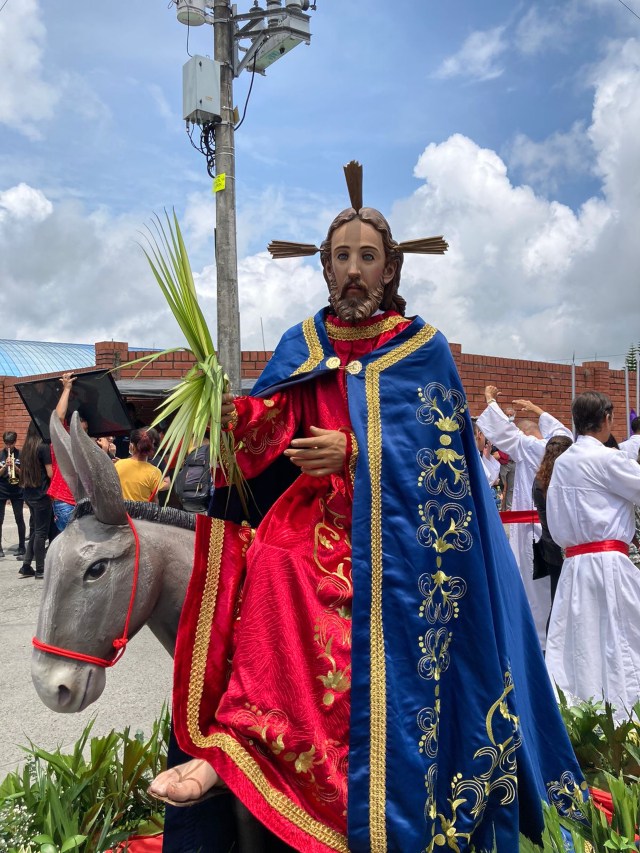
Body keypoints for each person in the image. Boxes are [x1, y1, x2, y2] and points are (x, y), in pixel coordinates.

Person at [150, 163, 585, 852]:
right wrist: (224, 410)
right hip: (309, 521)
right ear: (324, 268)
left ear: (389, 270)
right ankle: (240, 746)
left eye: (368, 258)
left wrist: (357, 455)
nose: (354, 271)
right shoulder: (303, 343)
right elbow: (267, 425)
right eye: (342, 257)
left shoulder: (424, 350)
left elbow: (445, 461)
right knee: (272, 565)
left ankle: (374, 787)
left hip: (400, 537)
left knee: (355, 599)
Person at [545, 391, 640, 718]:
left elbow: (556, 519)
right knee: (621, 639)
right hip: (609, 564)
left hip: (574, 565)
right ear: (607, 420)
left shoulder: (563, 463)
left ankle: (583, 717)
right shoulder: (607, 459)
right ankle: (624, 716)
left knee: (580, 644)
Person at [476, 388, 573, 649]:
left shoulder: (529, 447)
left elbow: (504, 433)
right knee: (554, 585)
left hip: (531, 530)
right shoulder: (565, 449)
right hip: (561, 529)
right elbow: (563, 431)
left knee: (532, 585)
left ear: (529, 434)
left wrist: (490, 399)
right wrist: (537, 409)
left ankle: (536, 639)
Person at [531, 435, 572, 609]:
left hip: (550, 546)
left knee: (557, 601)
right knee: (562, 603)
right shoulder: (559, 481)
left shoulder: (540, 480)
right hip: (563, 546)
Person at [48, 372, 89, 532]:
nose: (82, 433)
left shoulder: (89, 445)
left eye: (85, 430)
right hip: (65, 502)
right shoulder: (62, 442)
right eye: (79, 429)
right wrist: (67, 389)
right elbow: (58, 418)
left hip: (83, 502)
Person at [17, 422, 58, 578]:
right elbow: (50, 474)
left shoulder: (26, 448)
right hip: (42, 495)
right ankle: (40, 569)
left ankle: (27, 565)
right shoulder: (43, 447)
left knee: (36, 530)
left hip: (28, 493)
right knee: (41, 532)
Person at [114, 428, 168, 502]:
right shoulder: (154, 472)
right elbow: (155, 500)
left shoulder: (118, 465)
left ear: (132, 446)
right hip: (142, 513)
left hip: (120, 511)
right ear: (151, 448)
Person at [0, 430, 26, 558]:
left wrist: (15, 468)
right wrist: (5, 466)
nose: (8, 446)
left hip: (17, 490)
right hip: (2, 489)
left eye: (10, 443)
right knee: (0, 519)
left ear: (15, 442)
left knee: (19, 518)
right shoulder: (0, 455)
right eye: (6, 443)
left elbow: (24, 474)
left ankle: (22, 546)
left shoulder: (21, 455)